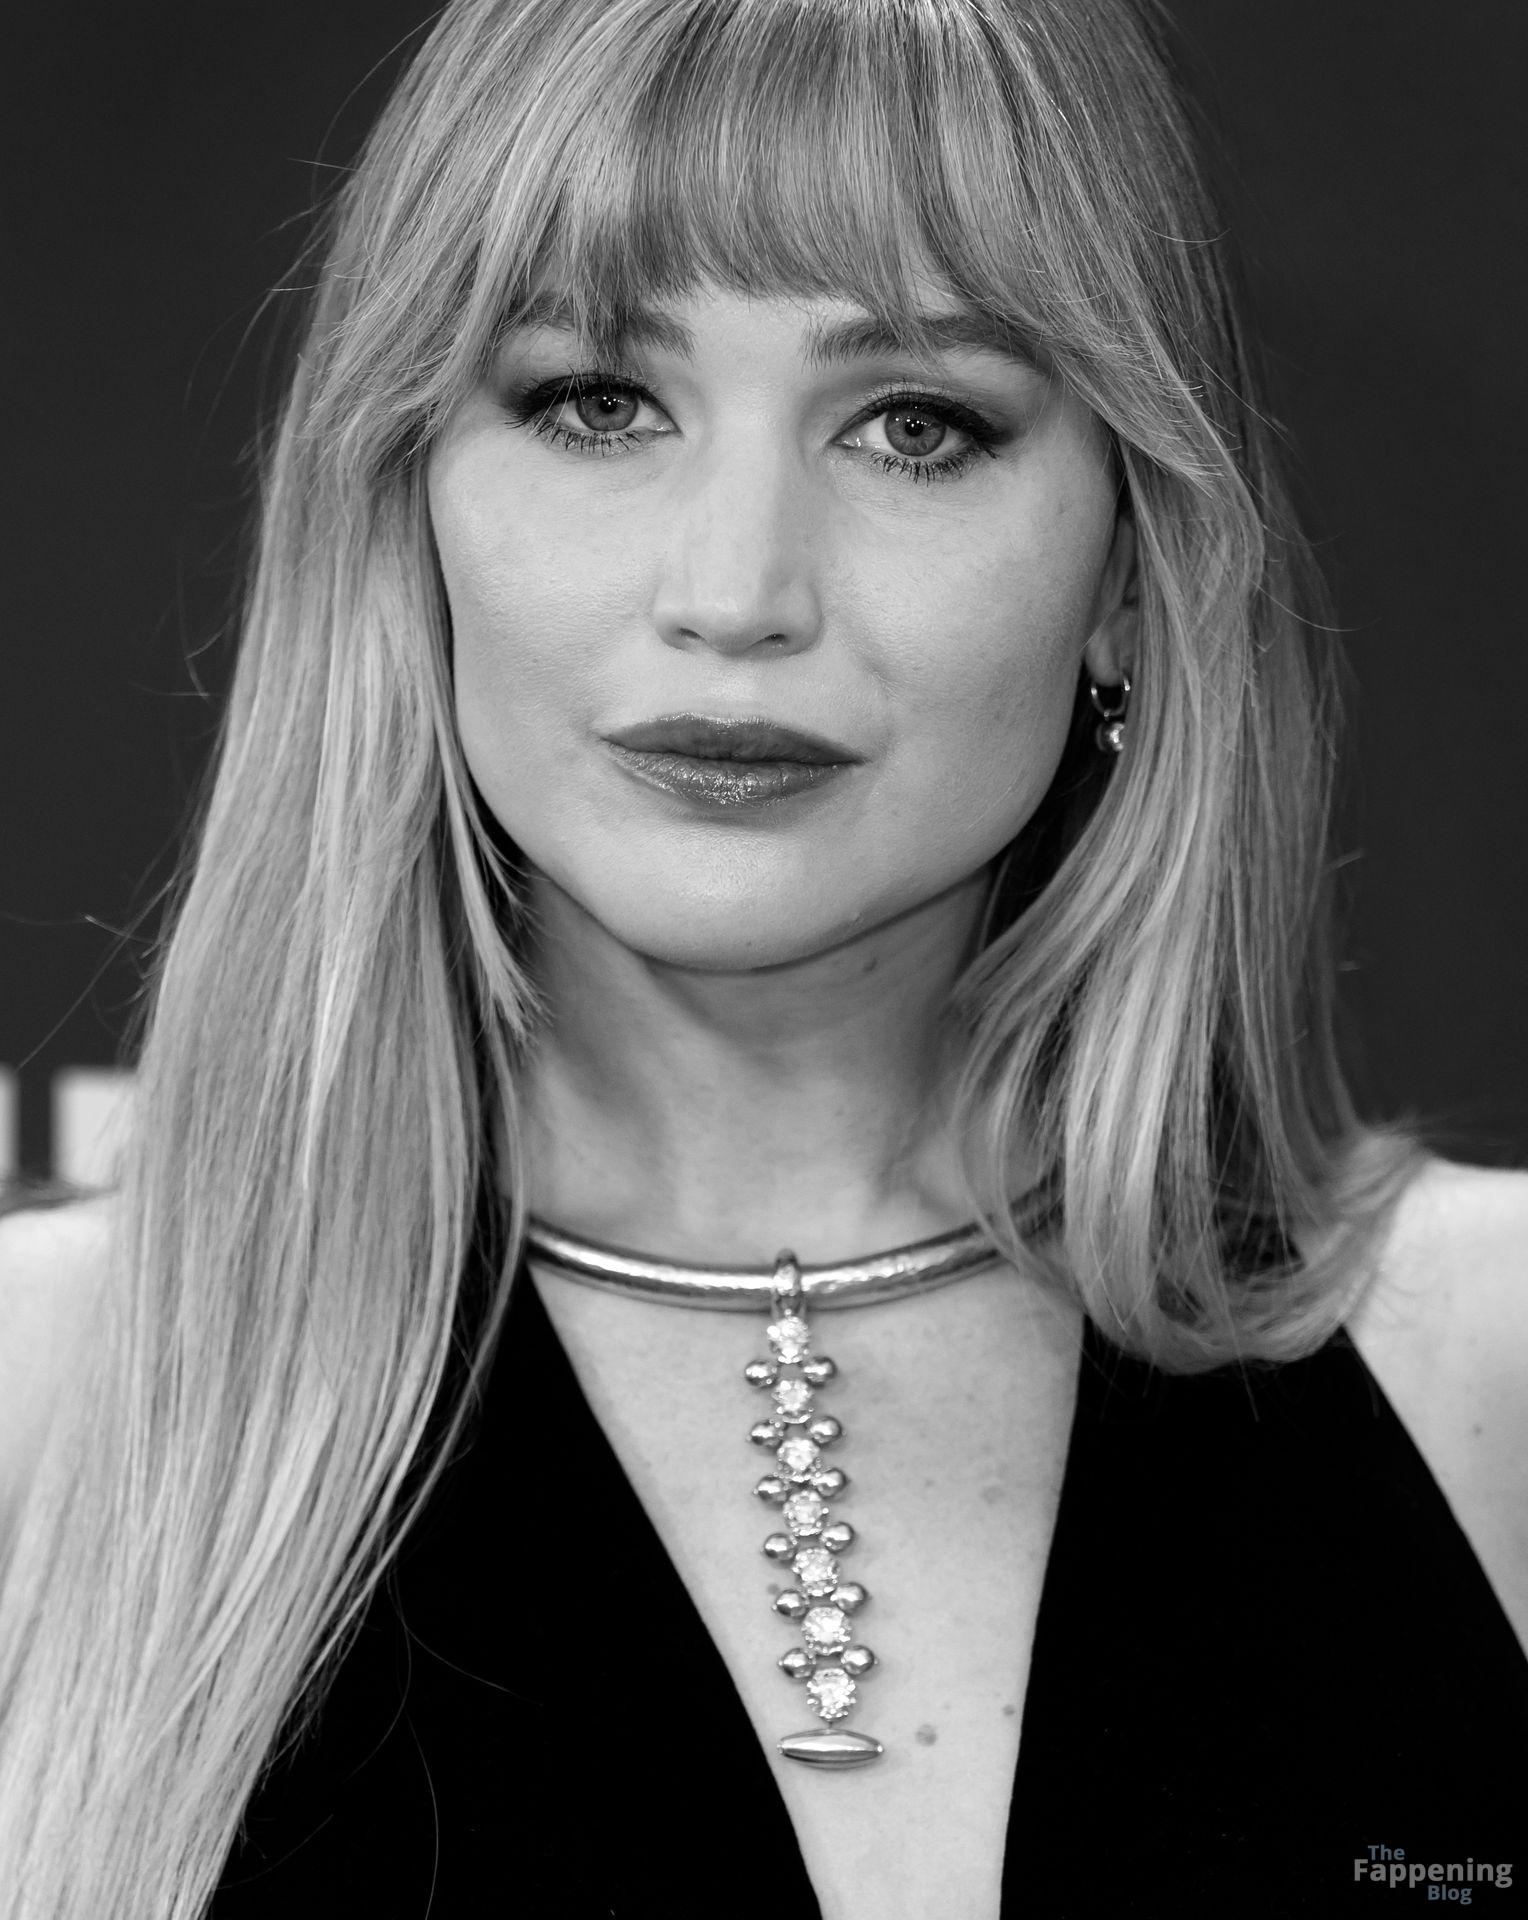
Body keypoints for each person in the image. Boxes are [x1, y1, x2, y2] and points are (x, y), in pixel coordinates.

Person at [1, 0, 1525, 1914]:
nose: (736, 592)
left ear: (1131, 573)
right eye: (598, 403)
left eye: (916, 426)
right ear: (404, 511)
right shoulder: (38, 1402)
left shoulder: (1494, 1369)